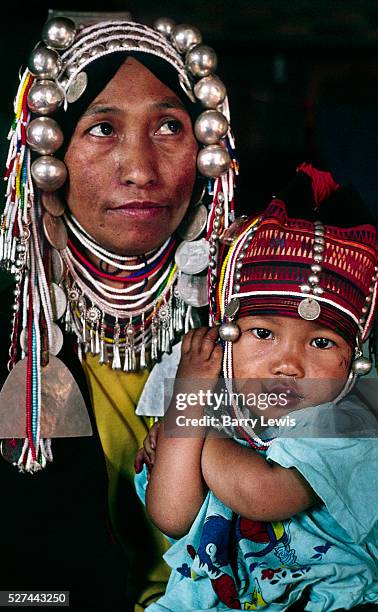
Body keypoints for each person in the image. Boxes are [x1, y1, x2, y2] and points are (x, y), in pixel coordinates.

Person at [0, 11, 237, 611]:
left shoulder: (264, 314)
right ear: (45, 153)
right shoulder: (13, 328)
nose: (140, 169)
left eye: (169, 128)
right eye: (102, 129)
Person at [135, 164, 378, 610]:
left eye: (321, 343)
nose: (288, 364)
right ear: (226, 337)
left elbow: (265, 495)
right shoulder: (216, 410)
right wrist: (184, 409)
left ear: (351, 363)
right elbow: (172, 515)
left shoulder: (344, 425)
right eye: (263, 334)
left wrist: (189, 432)